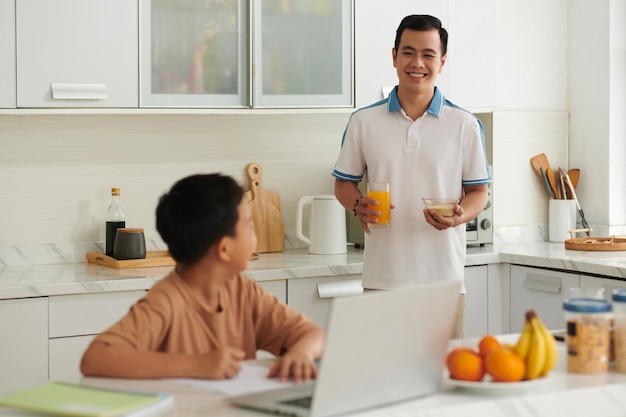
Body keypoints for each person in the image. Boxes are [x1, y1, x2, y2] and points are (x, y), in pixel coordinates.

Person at [332, 15, 491, 338]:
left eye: (428, 55)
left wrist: (459, 217)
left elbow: (479, 193)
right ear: (394, 56)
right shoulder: (364, 121)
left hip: (443, 282)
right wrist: (357, 204)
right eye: (408, 52)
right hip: (382, 279)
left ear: (442, 62)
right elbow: (343, 183)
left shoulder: (464, 124)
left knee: (443, 379)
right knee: (380, 380)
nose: (417, 63)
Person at [81, 173, 324, 382]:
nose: (254, 234)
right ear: (225, 248)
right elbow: (95, 358)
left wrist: (300, 354)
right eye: (249, 226)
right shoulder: (167, 300)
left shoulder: (243, 291)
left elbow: (314, 335)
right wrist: (196, 365)